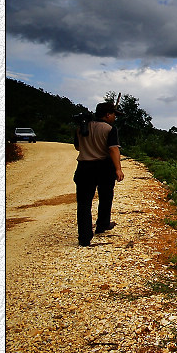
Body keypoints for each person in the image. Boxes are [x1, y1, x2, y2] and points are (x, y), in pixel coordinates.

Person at [73, 101, 124, 246]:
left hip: (84, 167)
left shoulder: (82, 126)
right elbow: (113, 149)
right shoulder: (109, 128)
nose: (115, 117)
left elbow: (77, 147)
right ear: (108, 114)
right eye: (114, 114)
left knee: (83, 203)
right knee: (106, 196)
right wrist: (118, 169)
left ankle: (84, 237)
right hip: (103, 167)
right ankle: (102, 225)